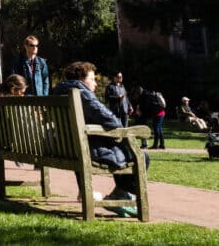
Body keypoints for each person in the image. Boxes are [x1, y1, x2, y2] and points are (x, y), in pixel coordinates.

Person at [54, 61, 150, 216]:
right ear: (81, 79)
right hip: (88, 148)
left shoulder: (58, 92)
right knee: (141, 157)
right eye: (92, 79)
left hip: (67, 147)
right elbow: (113, 121)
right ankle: (120, 194)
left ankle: (121, 194)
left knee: (127, 152)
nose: (95, 83)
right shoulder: (81, 93)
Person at [131, 84, 167, 149]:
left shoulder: (145, 96)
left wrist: (141, 112)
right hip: (161, 112)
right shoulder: (148, 93)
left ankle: (155, 145)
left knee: (156, 129)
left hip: (158, 113)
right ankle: (162, 145)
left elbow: (145, 107)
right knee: (159, 129)